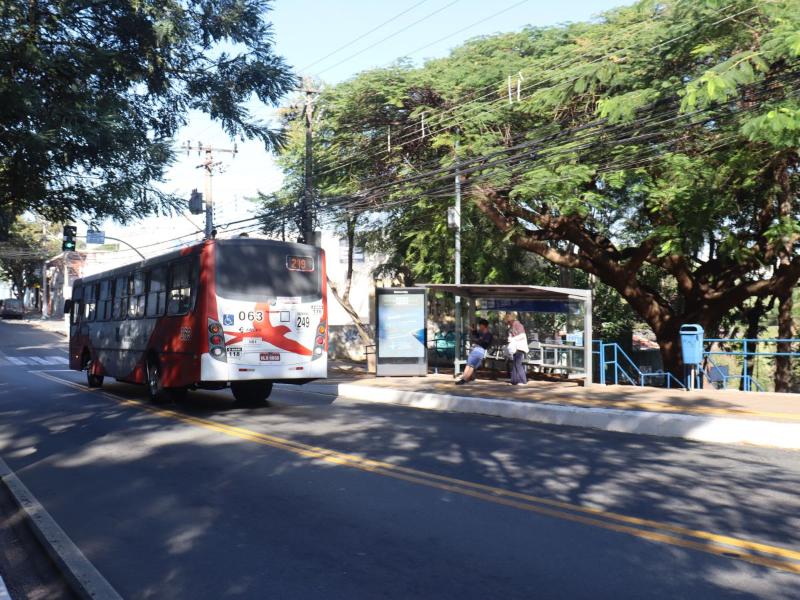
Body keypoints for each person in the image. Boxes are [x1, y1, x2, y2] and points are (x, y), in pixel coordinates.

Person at [455, 318, 493, 385]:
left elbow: (485, 344)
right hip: (475, 350)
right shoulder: (481, 333)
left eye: (480, 325)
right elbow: (477, 335)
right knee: (468, 364)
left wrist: (477, 341)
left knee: (472, 365)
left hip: (480, 351)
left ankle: (464, 379)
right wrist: (473, 331)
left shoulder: (488, 335)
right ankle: (464, 378)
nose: (479, 327)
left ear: (484, 326)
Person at [505, 312, 528, 385]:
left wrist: (513, 339)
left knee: (518, 364)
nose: (508, 323)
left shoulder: (518, 325)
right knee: (515, 363)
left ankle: (522, 381)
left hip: (520, 347)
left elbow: (522, 335)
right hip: (515, 347)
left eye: (508, 321)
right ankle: (514, 380)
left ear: (511, 320)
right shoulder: (511, 327)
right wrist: (510, 338)